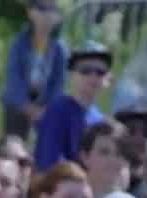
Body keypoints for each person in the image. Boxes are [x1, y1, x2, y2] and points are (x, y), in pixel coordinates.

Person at [33, 42, 112, 172]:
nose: (93, 76)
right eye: (85, 71)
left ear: (108, 79)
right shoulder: (58, 111)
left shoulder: (101, 121)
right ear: (72, 75)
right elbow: (48, 164)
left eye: (100, 72)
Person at [1, 0, 69, 141]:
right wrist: (26, 105)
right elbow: (14, 77)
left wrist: (46, 109)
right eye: (41, 9)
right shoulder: (19, 43)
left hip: (45, 107)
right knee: (13, 144)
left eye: (51, 10)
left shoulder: (60, 48)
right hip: (18, 105)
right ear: (30, 13)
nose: (46, 15)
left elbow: (59, 82)